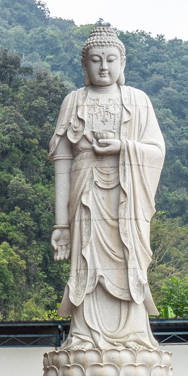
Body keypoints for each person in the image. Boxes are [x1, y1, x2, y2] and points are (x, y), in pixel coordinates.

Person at [48, 25, 166, 351]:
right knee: (86, 264)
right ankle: (84, 336)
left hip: (127, 196)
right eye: (96, 60)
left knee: (130, 261)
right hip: (85, 194)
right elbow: (61, 158)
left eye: (111, 59)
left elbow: (156, 151)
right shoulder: (73, 101)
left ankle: (135, 336)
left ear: (122, 63)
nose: (103, 67)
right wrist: (61, 225)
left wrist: (123, 147)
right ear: (84, 66)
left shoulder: (138, 101)